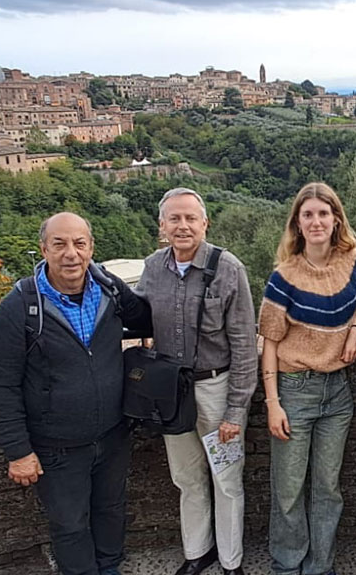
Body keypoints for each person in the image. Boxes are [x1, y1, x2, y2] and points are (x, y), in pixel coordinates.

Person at [0, 212, 151, 575]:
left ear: (91, 248)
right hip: (56, 445)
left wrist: (115, 282)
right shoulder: (19, 308)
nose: (70, 253)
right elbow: (1, 384)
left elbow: (144, 319)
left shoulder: (107, 290)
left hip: (112, 433)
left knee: (111, 510)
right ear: (44, 249)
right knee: (70, 523)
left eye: (79, 243)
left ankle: (109, 568)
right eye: (59, 244)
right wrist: (18, 451)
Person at [135, 188, 258, 575]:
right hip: (172, 392)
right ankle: (197, 552)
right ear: (162, 226)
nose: (183, 226)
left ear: (205, 223)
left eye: (190, 218)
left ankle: (231, 560)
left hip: (216, 389)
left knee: (226, 479)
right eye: (175, 218)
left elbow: (243, 345)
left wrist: (236, 410)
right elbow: (136, 316)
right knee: (186, 477)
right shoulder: (153, 268)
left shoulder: (229, 268)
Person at [259, 182, 356, 575]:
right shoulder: (284, 277)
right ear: (298, 223)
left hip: (338, 391)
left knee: (328, 489)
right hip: (294, 391)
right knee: (288, 492)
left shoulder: (354, 260)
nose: (317, 221)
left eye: (324, 213)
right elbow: (269, 343)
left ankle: (320, 567)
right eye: (308, 214)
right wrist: (273, 404)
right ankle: (287, 566)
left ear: (336, 218)